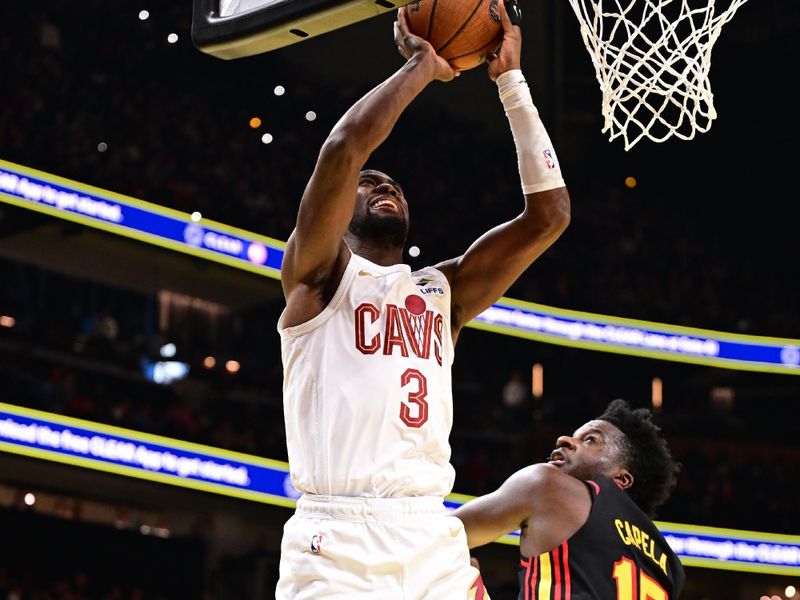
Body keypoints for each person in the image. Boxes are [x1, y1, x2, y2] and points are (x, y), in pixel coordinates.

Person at [275, 0, 570, 595]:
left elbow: (549, 216)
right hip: (339, 537)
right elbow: (343, 148)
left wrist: (511, 82)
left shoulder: (443, 291)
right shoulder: (316, 277)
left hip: (430, 533)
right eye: (371, 185)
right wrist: (422, 67)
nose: (385, 187)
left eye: (395, 186)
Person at [453, 399, 685, 598]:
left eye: (590, 440)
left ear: (621, 478)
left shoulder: (548, 484)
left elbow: (436, 534)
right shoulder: (671, 568)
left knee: (453, 571)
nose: (564, 439)